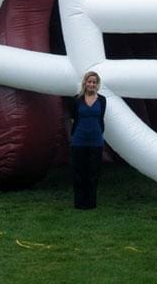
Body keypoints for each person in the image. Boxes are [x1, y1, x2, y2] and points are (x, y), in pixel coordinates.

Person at [70, 71, 106, 209]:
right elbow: (74, 118)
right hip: (79, 140)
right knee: (79, 172)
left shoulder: (102, 100)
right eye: (89, 82)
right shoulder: (76, 99)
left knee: (93, 172)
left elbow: (101, 118)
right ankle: (79, 203)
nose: (91, 84)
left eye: (94, 82)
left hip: (96, 141)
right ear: (85, 83)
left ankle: (91, 203)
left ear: (97, 85)